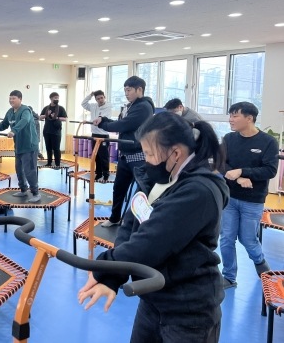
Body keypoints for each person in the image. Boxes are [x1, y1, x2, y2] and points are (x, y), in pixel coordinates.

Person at [78, 111, 229, 342]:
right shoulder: (161, 178)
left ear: (175, 153)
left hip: (189, 310)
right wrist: (112, 277)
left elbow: (152, 241)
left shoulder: (199, 191)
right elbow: (131, 224)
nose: (146, 160)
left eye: (149, 153)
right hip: (154, 298)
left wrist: (105, 267)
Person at [219, 101, 278, 289]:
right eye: (230, 116)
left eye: (235, 116)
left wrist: (243, 171)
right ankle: (229, 277)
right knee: (226, 238)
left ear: (249, 118)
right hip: (230, 197)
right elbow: (221, 164)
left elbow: (270, 170)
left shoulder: (268, 142)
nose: (231, 120)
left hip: (253, 200)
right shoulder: (229, 139)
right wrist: (238, 178)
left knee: (248, 239)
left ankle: (260, 262)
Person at [93, 76, 154, 226]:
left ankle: (140, 225)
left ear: (139, 89)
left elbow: (123, 125)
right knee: (118, 189)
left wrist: (103, 124)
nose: (126, 93)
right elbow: (121, 122)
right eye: (125, 90)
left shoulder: (143, 107)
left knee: (142, 192)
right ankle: (114, 218)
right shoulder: (132, 106)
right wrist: (104, 120)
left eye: (129, 90)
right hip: (125, 156)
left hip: (139, 156)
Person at [0, 90, 41, 202]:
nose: (11, 100)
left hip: (29, 146)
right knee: (19, 169)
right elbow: (4, 124)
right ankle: (23, 190)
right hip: (19, 146)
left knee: (29, 170)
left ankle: (36, 193)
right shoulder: (10, 112)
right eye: (10, 98)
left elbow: (25, 121)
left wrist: (14, 131)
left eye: (14, 98)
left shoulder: (25, 110)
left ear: (20, 99)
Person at [81, 90, 112, 180]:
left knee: (104, 157)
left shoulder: (108, 106)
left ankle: (106, 175)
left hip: (103, 135)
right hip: (94, 134)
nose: (100, 100)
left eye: (101, 98)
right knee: (96, 156)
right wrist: (90, 95)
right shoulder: (93, 106)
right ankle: (98, 173)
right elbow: (83, 104)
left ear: (104, 97)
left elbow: (102, 118)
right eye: (98, 99)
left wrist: (91, 121)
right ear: (95, 99)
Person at [40, 92, 68, 167]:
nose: (57, 99)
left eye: (58, 98)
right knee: (48, 148)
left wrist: (56, 117)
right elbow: (40, 117)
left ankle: (57, 164)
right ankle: (49, 163)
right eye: (55, 98)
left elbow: (65, 119)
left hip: (56, 132)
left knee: (56, 148)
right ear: (51, 98)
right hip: (47, 131)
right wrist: (47, 114)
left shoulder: (61, 108)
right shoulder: (46, 108)